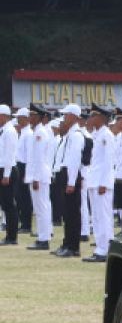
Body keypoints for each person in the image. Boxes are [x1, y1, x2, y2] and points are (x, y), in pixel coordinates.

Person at [50, 104, 87, 258]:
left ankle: (73, 246)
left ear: (74, 116)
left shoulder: (77, 135)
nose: (64, 118)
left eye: (67, 115)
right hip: (64, 173)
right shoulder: (69, 135)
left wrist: (71, 182)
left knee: (73, 212)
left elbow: (74, 160)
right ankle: (67, 243)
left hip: (71, 174)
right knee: (67, 212)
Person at [82, 105, 116, 263]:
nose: (90, 119)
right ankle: (100, 248)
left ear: (102, 118)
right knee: (96, 217)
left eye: (93, 116)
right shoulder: (96, 135)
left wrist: (104, 183)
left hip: (102, 183)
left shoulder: (107, 135)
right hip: (94, 182)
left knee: (104, 217)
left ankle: (106, 249)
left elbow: (108, 162)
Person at [24, 106, 54, 250]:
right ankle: (44, 236)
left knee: (41, 208)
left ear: (39, 117)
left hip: (39, 176)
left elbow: (40, 157)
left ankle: (44, 239)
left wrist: (35, 178)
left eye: (32, 115)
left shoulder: (40, 133)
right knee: (41, 208)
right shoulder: (36, 132)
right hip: (38, 175)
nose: (30, 117)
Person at [0, 105, 18, 245]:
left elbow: (9, 154)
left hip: (8, 170)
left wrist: (6, 174)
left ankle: (12, 237)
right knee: (4, 204)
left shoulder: (10, 131)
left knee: (9, 204)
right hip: (3, 169)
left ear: (4, 116)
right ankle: (9, 235)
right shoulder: (3, 130)